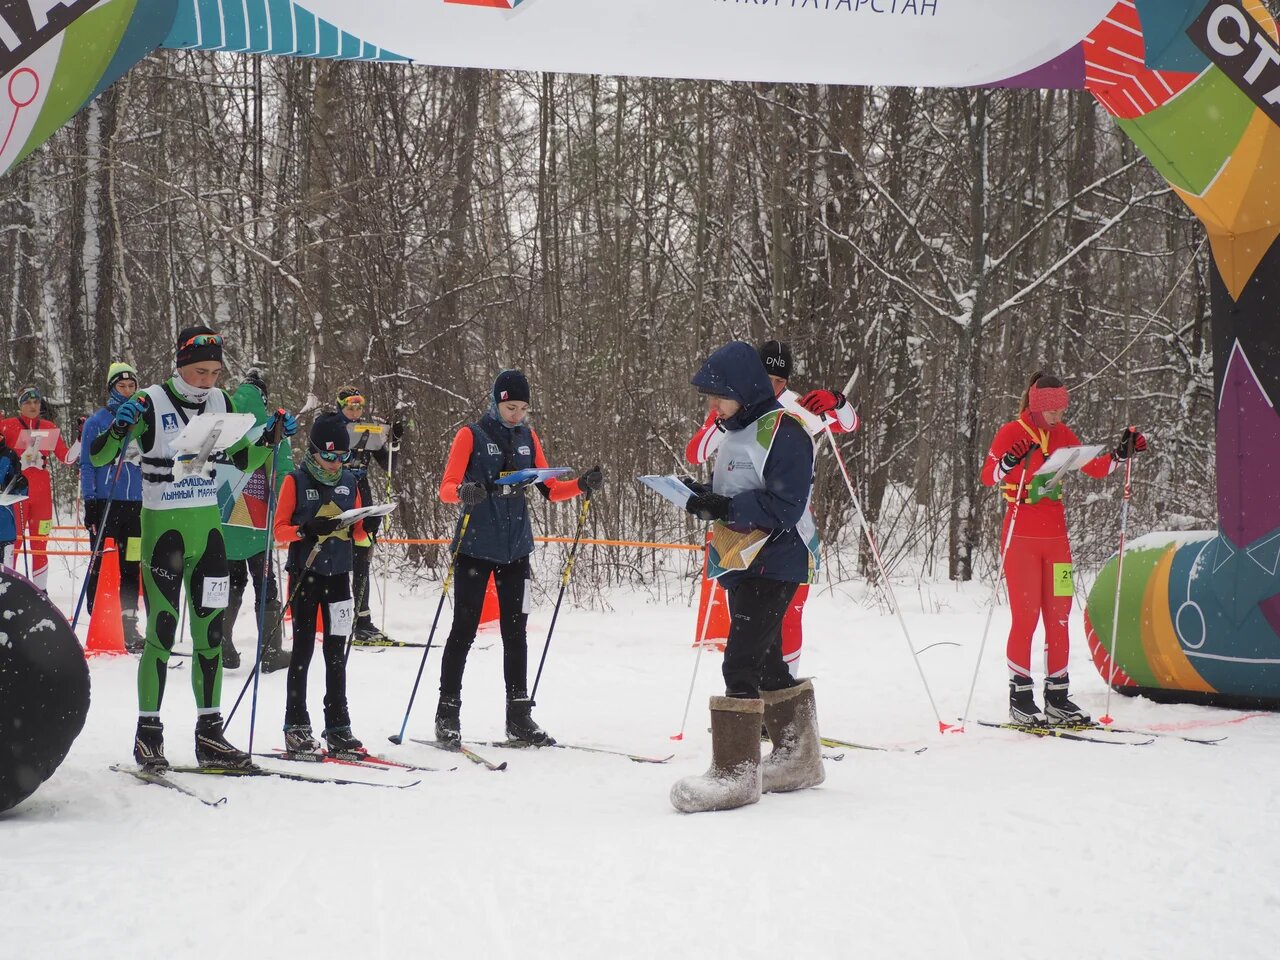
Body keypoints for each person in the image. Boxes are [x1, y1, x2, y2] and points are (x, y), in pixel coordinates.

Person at [90, 326, 298, 770]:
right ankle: (149, 733)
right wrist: (119, 426)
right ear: (181, 366)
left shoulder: (221, 404)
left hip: (209, 534)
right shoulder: (150, 400)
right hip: (163, 531)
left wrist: (270, 437)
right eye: (199, 371)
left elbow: (242, 459)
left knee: (212, 636)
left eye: (215, 372)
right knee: (162, 633)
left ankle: (210, 735)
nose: (207, 381)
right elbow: (99, 457)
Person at [671, 341, 826, 815]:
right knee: (765, 660)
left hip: (777, 558)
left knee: (739, 661)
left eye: (718, 396)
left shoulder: (786, 433)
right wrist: (701, 497)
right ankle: (798, 757)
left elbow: (785, 505)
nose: (712, 406)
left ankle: (735, 775)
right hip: (738, 557)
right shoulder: (732, 433)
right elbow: (734, 489)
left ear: (744, 389)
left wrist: (727, 506)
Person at [433, 369, 602, 748]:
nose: (517, 415)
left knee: (516, 633)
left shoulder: (528, 436)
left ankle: (519, 715)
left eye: (523, 408)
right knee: (464, 629)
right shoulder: (470, 435)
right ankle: (447, 713)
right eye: (511, 407)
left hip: (516, 550)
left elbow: (550, 489)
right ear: (496, 402)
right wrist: (465, 491)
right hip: (475, 547)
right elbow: (445, 487)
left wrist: (580, 485)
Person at [980, 371, 1147, 726]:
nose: (1058, 415)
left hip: (1057, 542)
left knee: (1058, 617)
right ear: (1037, 405)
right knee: (1026, 618)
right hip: (1021, 540)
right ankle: (1020, 697)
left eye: (1061, 409)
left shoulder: (1062, 434)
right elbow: (988, 476)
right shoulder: (1012, 431)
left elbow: (1096, 468)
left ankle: (1057, 696)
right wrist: (1008, 463)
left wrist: (1120, 454)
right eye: (1052, 410)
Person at [685, 339, 857, 676]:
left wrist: (838, 402)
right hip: (745, 529)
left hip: (792, 525)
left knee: (790, 612)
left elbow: (848, 425)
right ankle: (770, 695)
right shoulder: (732, 408)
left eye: (780, 381)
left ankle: (783, 685)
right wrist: (722, 423)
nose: (773, 388)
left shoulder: (798, 407)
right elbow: (696, 453)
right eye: (767, 379)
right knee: (751, 623)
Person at [272, 412, 368, 754]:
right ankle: (296, 724)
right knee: (303, 650)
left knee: (336, 653)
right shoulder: (295, 481)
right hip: (306, 574)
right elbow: (279, 529)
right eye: (328, 455)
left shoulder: (350, 482)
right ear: (313, 451)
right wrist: (304, 530)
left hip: (339, 575)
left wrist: (366, 528)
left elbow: (357, 529)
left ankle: (338, 725)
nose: (334, 463)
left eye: (341, 456)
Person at [220, 369, 292, 672]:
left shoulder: (224, 427)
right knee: (265, 585)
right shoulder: (270, 431)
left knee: (230, 584)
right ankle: (270, 650)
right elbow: (284, 476)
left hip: (222, 516)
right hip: (255, 518)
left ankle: (221, 642)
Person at [79, 362, 146, 652]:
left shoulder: (143, 420)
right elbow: (86, 463)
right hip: (107, 503)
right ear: (111, 389)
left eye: (132, 386)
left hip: (135, 504)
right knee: (103, 562)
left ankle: (129, 623)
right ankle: (101, 616)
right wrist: (90, 501)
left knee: (131, 564)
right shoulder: (97, 421)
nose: (128, 391)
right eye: (122, 386)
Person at [334, 386, 402, 643]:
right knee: (338, 558)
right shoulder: (331, 426)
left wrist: (393, 442)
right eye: (350, 406)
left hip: (363, 496)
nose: (355, 411)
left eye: (359, 406)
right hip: (338, 496)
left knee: (362, 557)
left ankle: (363, 621)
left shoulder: (367, 431)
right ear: (340, 407)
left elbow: (388, 466)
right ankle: (337, 617)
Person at [0, 386, 75, 592]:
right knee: (11, 544)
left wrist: (80, 441)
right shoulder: (7, 426)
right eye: (27, 402)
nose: (33, 406)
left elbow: (66, 458)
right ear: (20, 405)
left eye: (36, 402)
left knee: (40, 545)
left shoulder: (49, 426)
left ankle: (41, 593)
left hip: (42, 493)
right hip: (15, 492)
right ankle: (7, 589)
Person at [0, 431, 29, 568]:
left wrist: (22, 484)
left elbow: (18, 487)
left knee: (6, 578)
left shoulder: (9, 455)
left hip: (4, 526)